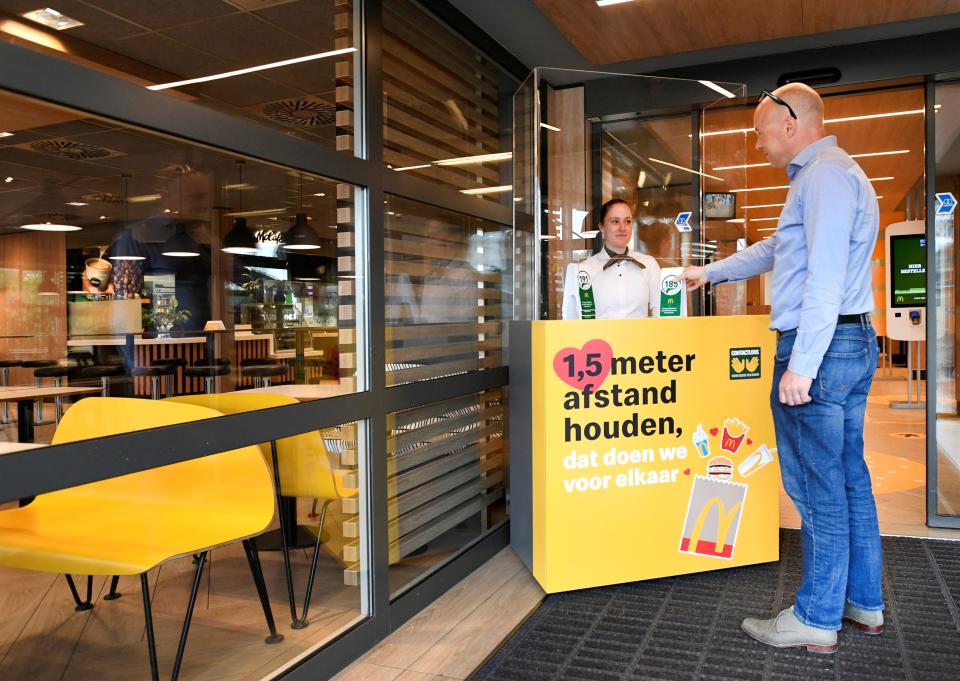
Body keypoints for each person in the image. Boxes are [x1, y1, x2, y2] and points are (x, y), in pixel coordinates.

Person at [682, 83, 882, 653]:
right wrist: (710, 273)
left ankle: (816, 617)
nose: (757, 138)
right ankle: (861, 603)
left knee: (819, 488)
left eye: (761, 127)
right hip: (849, 342)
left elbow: (820, 277)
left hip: (822, 347)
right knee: (848, 479)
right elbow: (779, 248)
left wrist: (803, 364)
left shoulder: (821, 176)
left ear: (791, 123)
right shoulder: (830, 174)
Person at [565, 198, 660, 319]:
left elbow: (660, 312)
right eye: (615, 221)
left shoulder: (649, 264)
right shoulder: (584, 270)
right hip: (599, 337)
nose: (623, 228)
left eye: (628, 221)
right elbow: (573, 319)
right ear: (602, 227)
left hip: (640, 337)